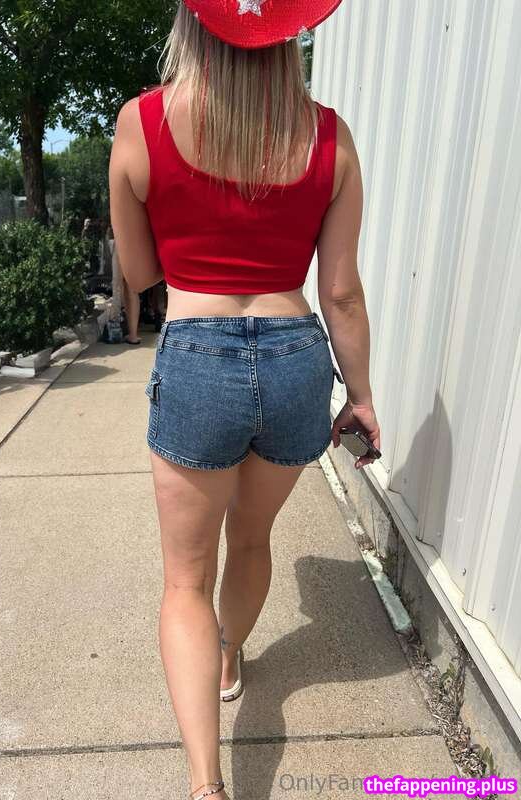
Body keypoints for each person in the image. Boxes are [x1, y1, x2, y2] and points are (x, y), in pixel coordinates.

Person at [109, 1, 381, 797]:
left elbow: (139, 274)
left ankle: (206, 784)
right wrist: (362, 396)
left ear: (192, 24)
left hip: (197, 355)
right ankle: (230, 659)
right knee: (252, 538)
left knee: (184, 581)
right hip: (298, 357)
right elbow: (342, 292)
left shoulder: (141, 122)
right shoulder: (329, 137)